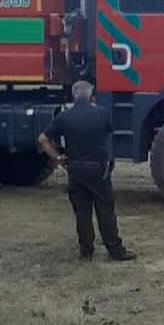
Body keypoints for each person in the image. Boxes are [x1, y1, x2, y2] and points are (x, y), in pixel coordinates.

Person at [38, 81, 131, 262]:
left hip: (75, 169)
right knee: (105, 211)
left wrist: (58, 158)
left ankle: (86, 251)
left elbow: (43, 139)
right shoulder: (102, 113)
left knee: (82, 212)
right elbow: (110, 134)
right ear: (91, 96)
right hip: (98, 169)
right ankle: (115, 250)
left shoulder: (64, 117)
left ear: (74, 95)